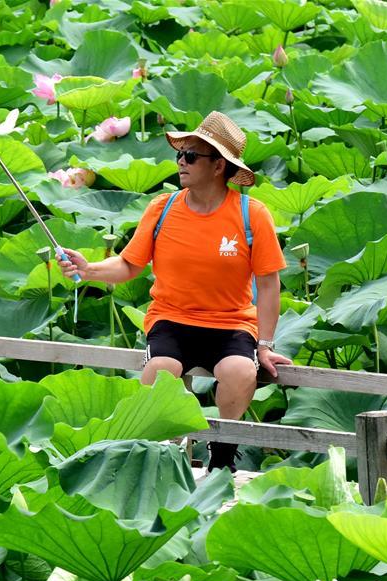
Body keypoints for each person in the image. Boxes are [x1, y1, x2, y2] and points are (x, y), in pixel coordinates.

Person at [59, 111, 292, 471]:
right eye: (180, 155)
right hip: (171, 319)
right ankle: (170, 458)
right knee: (161, 370)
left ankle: (223, 454)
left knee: (239, 373)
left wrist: (266, 345)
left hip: (231, 323)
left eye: (191, 156)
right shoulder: (161, 208)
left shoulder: (252, 215)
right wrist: (88, 269)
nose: (181, 163)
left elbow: (268, 283)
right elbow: (129, 265)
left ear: (218, 167)